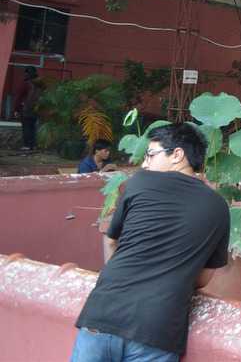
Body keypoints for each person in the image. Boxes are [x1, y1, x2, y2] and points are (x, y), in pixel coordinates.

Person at [71, 123, 230, 362]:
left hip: (103, 314)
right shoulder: (219, 207)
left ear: (177, 155)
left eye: (151, 155)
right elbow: (204, 277)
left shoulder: (140, 182)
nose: (145, 163)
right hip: (158, 329)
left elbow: (111, 240)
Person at [14, 66, 40, 151]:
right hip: (36, 109)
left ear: (26, 73)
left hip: (26, 109)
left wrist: (16, 109)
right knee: (33, 127)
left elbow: (18, 97)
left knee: (26, 127)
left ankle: (27, 145)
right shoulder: (39, 83)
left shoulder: (25, 83)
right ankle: (33, 145)